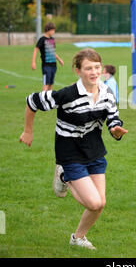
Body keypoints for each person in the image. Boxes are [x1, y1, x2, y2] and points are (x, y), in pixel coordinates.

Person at [20, 48, 128, 249]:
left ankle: (78, 238)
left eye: (97, 67)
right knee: (94, 203)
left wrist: (115, 130)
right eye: (88, 68)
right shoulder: (67, 95)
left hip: (94, 150)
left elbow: (113, 118)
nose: (94, 72)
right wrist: (28, 131)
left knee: (100, 203)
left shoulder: (107, 92)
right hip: (70, 152)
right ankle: (65, 176)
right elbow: (31, 101)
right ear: (78, 71)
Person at [31, 22, 64, 91]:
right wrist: (33, 62)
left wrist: (59, 59)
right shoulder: (42, 39)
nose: (54, 32)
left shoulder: (52, 39)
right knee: (46, 84)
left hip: (53, 65)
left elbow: (52, 52)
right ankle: (43, 100)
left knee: (51, 84)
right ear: (49, 30)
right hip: (46, 66)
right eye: (53, 30)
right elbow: (35, 50)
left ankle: (48, 99)